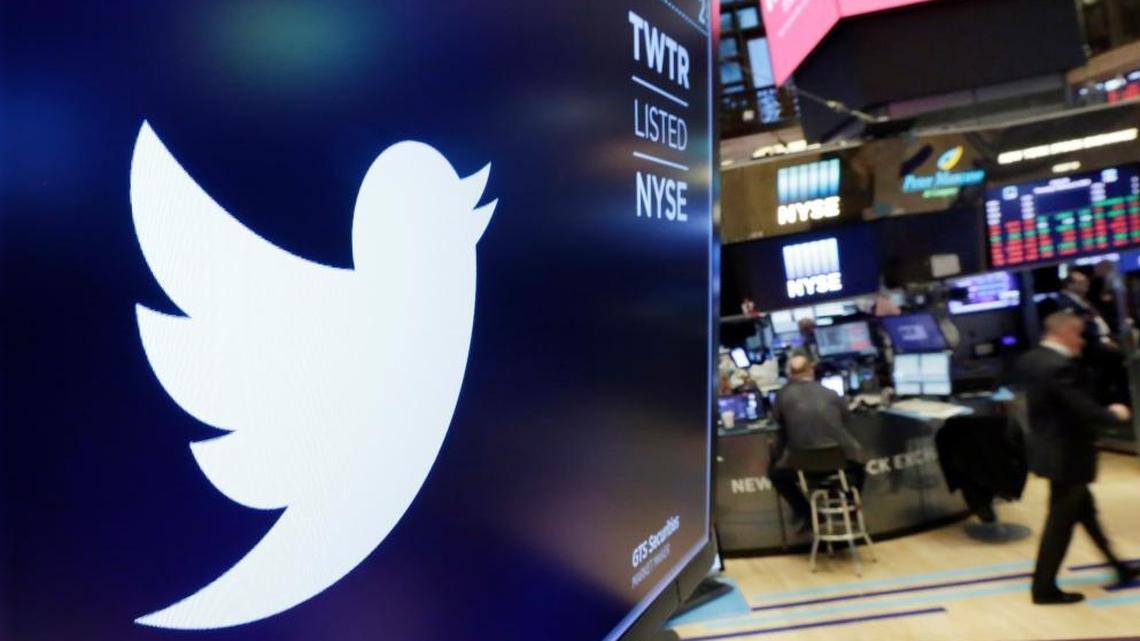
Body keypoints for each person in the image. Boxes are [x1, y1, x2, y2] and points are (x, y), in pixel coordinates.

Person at [1016, 311, 1139, 605]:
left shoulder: (1031, 359)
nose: (1082, 341)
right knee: (1060, 525)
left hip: (1049, 451)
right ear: (1066, 333)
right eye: (1079, 334)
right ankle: (1043, 588)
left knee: (1086, 513)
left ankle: (1118, 566)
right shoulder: (1059, 367)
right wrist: (1114, 414)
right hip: (1067, 456)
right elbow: (1085, 410)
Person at [769, 354, 866, 532]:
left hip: (802, 465)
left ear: (790, 374)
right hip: (839, 462)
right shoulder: (831, 393)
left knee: (775, 474)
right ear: (811, 370)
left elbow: (778, 426)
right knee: (860, 465)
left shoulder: (782, 396)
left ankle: (807, 513)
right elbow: (846, 419)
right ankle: (850, 505)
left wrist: (775, 457)